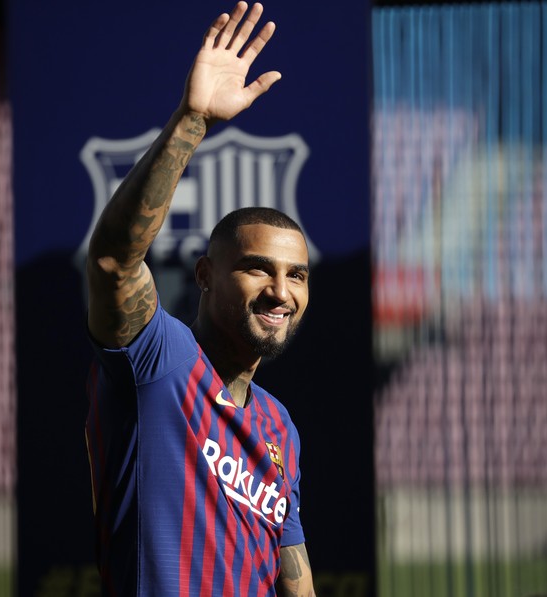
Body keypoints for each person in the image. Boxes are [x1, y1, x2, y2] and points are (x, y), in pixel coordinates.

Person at [83, 3, 316, 595]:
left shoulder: (278, 425)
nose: (281, 292)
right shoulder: (161, 360)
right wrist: (191, 122)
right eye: (258, 269)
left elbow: (293, 574)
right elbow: (113, 261)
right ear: (207, 275)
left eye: (297, 275)